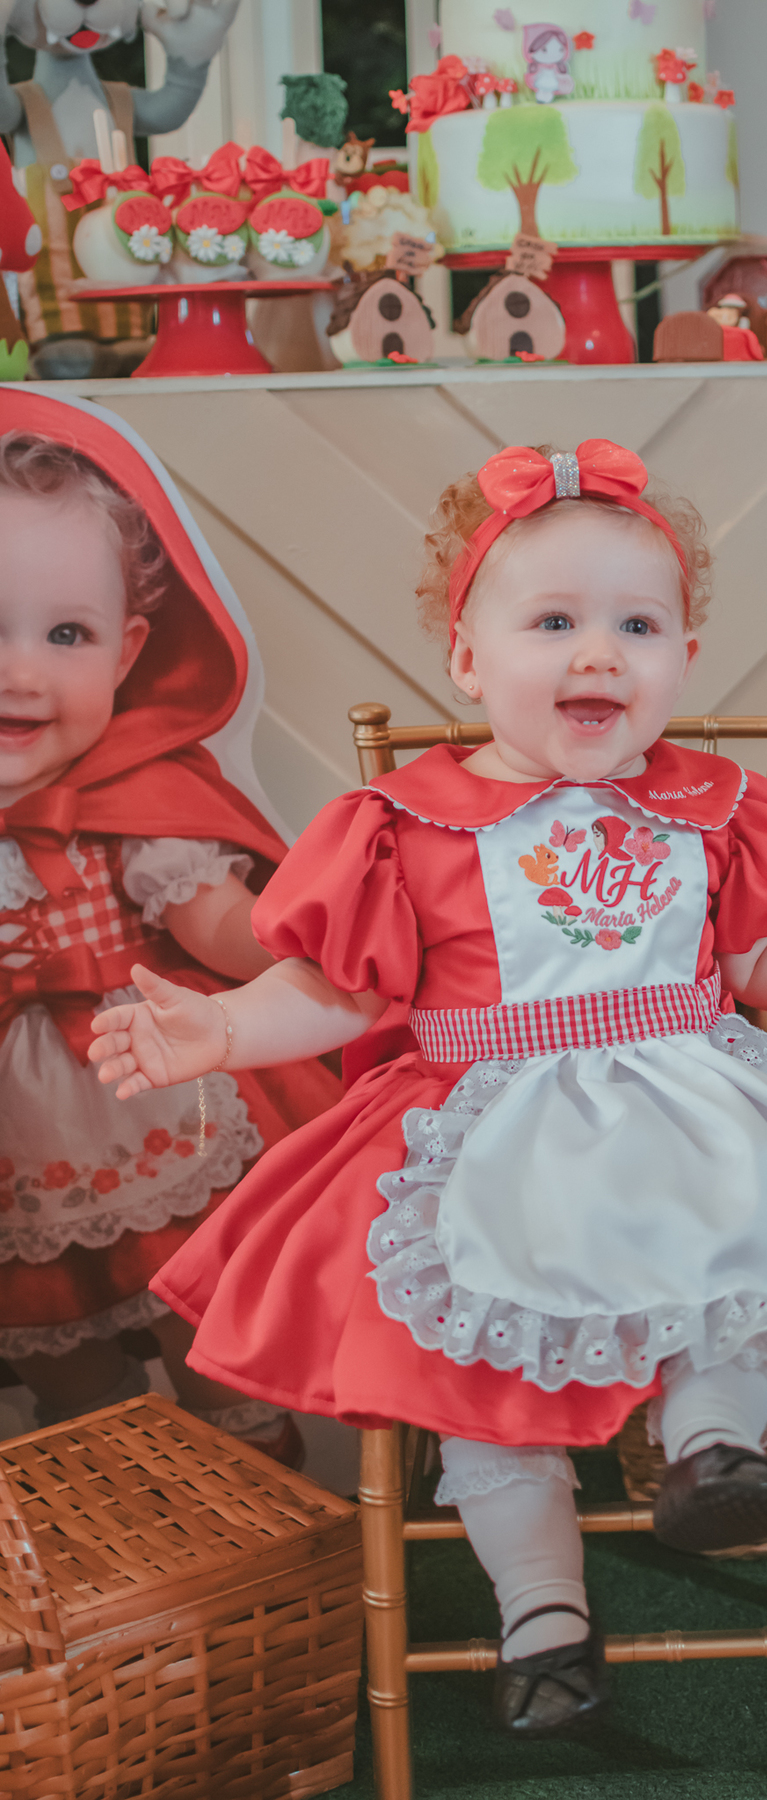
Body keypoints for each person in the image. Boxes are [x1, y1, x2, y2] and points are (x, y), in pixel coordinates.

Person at [91, 438, 767, 1735]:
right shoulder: (406, 826)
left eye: (639, 625)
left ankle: (713, 1452)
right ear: (469, 662)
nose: (599, 655)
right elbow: (347, 993)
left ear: (684, 661)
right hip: (491, 1126)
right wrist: (225, 1031)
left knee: (746, 1265)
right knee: (472, 1368)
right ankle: (544, 1615)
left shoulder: (713, 811)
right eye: (555, 623)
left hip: (694, 1111)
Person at [0, 389, 340, 1462]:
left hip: (165, 1108)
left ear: (129, 648)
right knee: (63, 1355)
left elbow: (226, 931)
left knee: (200, 1315)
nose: (21, 673)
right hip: (20, 1151)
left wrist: (320, 927)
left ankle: (262, 1509)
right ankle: (118, 1535)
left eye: (68, 634)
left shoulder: (146, 811)